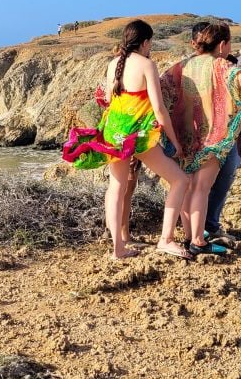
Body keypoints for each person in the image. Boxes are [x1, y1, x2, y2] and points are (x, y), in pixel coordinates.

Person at [62, 19, 191, 259]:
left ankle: (118, 248)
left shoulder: (114, 64)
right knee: (180, 180)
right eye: (150, 42)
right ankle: (166, 239)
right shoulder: (147, 65)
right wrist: (175, 142)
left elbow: (112, 101)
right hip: (137, 136)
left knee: (116, 187)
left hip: (114, 133)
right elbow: (160, 109)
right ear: (145, 42)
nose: (150, 47)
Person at [161, 23, 241, 255]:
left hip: (184, 138)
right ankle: (198, 240)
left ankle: (190, 237)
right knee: (201, 189)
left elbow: (161, 89)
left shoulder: (181, 66)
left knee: (187, 188)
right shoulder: (222, 66)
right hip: (212, 139)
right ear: (223, 44)